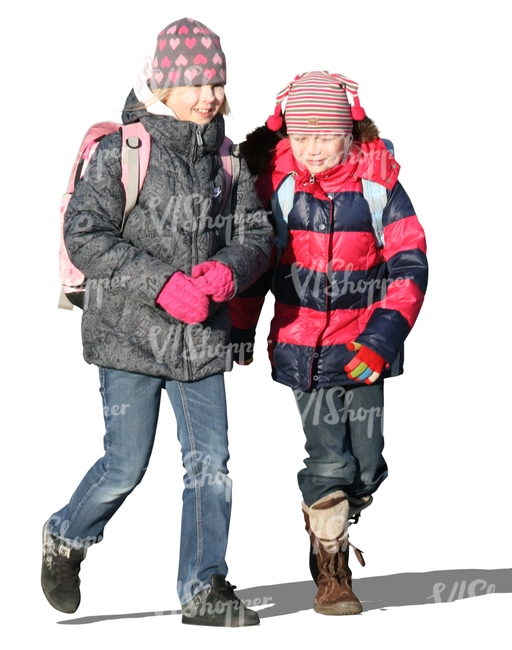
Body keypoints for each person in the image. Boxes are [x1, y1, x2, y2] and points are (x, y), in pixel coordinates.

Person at [42, 17, 273, 627]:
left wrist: (225, 275)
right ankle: (66, 536)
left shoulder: (227, 156)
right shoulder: (124, 149)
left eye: (217, 83)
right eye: (196, 84)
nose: (209, 97)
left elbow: (256, 234)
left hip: (199, 344)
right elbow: (86, 235)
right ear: (163, 86)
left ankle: (203, 587)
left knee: (211, 462)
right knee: (125, 465)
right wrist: (164, 285)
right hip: (127, 339)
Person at [234, 71, 428, 615]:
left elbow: (409, 263)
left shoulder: (378, 185)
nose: (313, 148)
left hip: (365, 348)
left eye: (325, 135)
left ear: (349, 134)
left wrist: (383, 338)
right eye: (302, 136)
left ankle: (339, 511)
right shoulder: (278, 185)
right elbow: (258, 265)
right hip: (304, 351)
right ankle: (331, 567)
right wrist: (241, 328)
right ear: (287, 136)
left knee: (366, 466)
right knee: (329, 460)